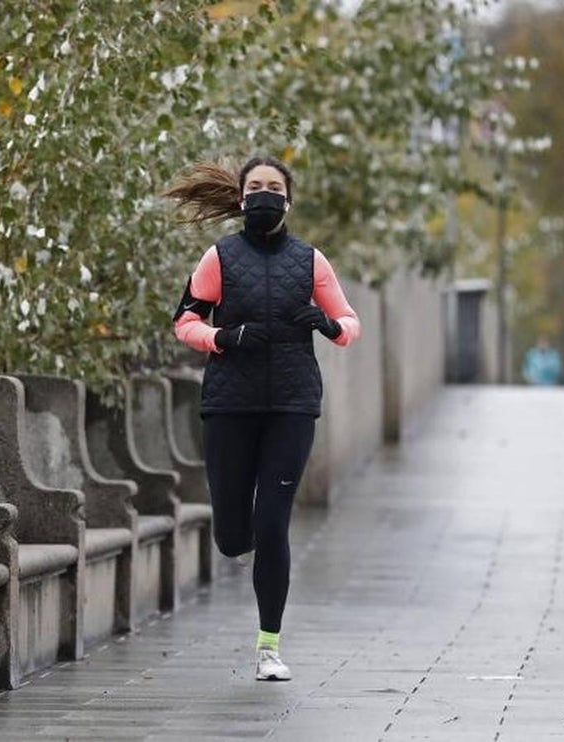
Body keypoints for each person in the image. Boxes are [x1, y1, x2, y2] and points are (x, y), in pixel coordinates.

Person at [166, 158, 360, 682]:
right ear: (242, 197)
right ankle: (243, 538)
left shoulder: (310, 261)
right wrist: (222, 337)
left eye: (275, 187)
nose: (265, 194)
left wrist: (327, 324)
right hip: (230, 405)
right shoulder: (219, 258)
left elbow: (349, 323)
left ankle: (268, 646)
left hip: (292, 405)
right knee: (233, 537)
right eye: (256, 187)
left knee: (273, 523)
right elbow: (185, 321)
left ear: (288, 200)